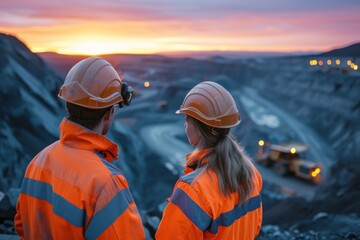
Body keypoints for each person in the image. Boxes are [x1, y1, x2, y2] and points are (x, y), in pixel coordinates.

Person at [14, 57, 145, 239]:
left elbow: (22, 226)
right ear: (108, 113)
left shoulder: (38, 161)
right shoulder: (106, 183)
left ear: (69, 103)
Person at [156, 81, 263, 239]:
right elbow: (255, 227)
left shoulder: (193, 190)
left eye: (187, 120)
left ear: (199, 129)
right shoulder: (252, 174)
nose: (185, 125)